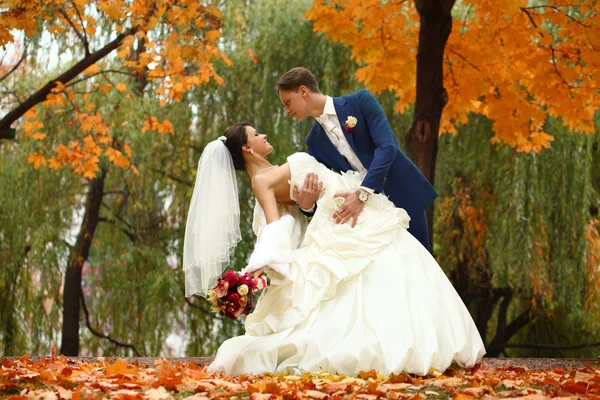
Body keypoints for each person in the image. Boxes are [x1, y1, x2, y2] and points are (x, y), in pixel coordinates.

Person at [183, 121, 485, 376]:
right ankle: (403, 345)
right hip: (344, 217)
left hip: (348, 208)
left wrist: (306, 204)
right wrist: (256, 272)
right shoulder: (262, 180)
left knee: (390, 267)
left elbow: (299, 215)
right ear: (247, 149)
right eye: (255, 135)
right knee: (380, 272)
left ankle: (410, 342)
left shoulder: (274, 172)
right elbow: (278, 229)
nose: (263, 135)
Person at [278, 67, 437, 251]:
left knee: (422, 268)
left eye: (288, 102)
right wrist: (307, 206)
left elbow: (387, 148)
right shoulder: (314, 142)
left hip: (404, 196)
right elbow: (329, 188)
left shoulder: (361, 101)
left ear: (303, 91)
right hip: (368, 219)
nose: (287, 111)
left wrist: (361, 194)